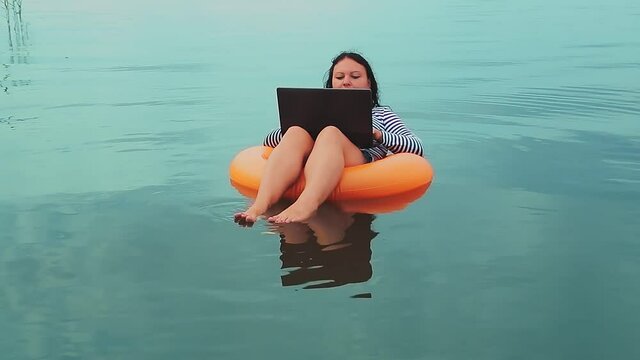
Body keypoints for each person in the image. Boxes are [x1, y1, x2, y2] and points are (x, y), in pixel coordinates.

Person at [234, 51, 424, 224]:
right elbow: (269, 141)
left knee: (330, 133)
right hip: (315, 157)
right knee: (295, 133)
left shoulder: (381, 114)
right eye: (339, 77)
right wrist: (296, 127)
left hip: (358, 156)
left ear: (368, 83)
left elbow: (416, 147)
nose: (346, 81)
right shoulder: (316, 111)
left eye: (355, 76)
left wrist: (377, 134)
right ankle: (258, 206)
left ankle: (306, 205)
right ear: (332, 82)